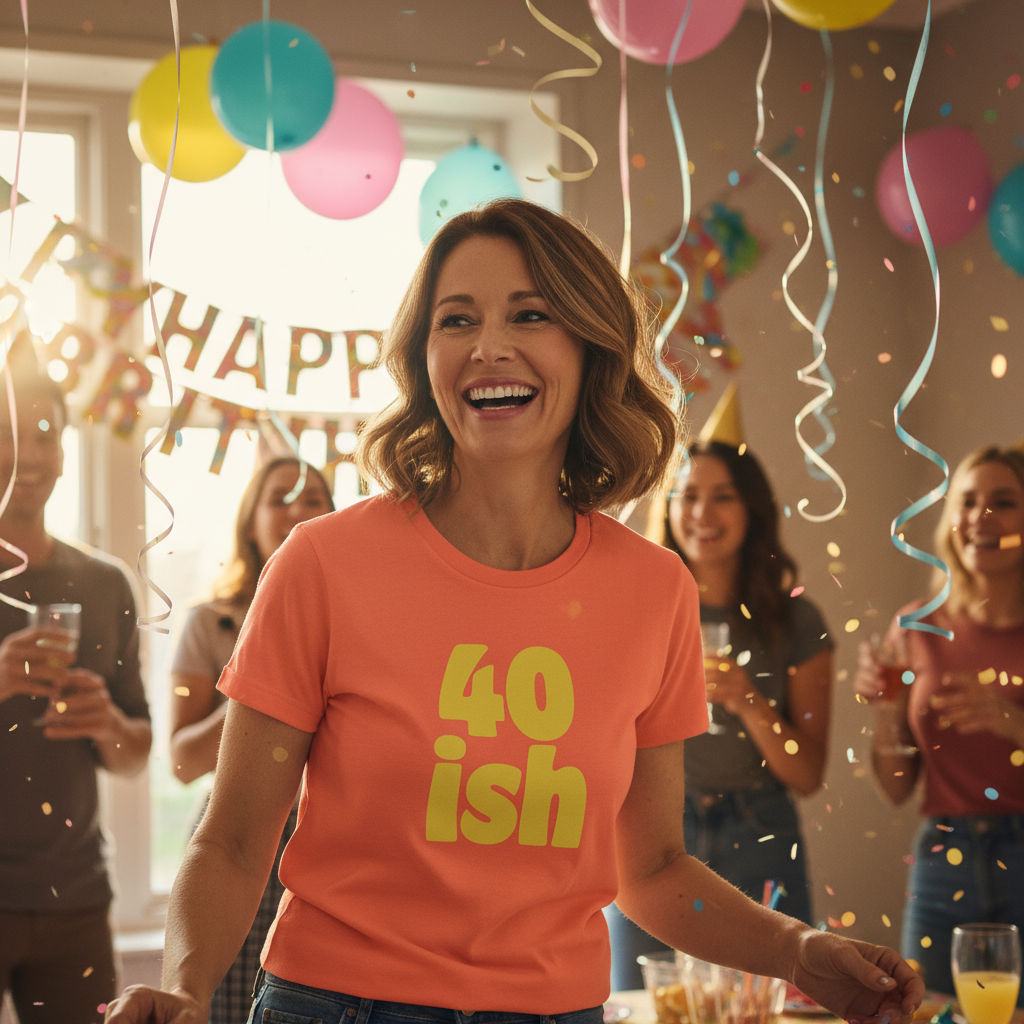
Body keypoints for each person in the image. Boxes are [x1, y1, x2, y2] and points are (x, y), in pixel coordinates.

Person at [107, 200, 922, 1024]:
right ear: (425, 358)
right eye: (455, 320)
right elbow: (235, 841)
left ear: (590, 347)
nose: (488, 347)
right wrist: (184, 988)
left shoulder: (654, 591)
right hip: (338, 1006)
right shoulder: (322, 564)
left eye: (530, 315)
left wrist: (795, 950)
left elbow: (654, 869)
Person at [607, 420, 834, 989]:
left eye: (722, 496)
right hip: (653, 834)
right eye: (687, 495)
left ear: (752, 509)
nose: (701, 513)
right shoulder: (636, 607)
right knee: (646, 1003)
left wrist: (749, 700)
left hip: (760, 834)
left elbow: (805, 773)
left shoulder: (797, 622)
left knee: (775, 1004)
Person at [0, 355, 151, 1023]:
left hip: (76, 901)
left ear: (65, 448)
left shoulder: (105, 583)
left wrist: (107, 725)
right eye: (6, 432)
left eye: (43, 433)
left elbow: (136, 753)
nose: (26, 453)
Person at [854, 443, 1024, 999]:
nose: (982, 518)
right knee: (920, 1009)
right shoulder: (915, 627)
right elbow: (897, 788)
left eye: (1005, 502)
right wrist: (884, 713)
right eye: (968, 502)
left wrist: (1013, 726)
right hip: (941, 858)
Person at [169, 455, 333, 1024]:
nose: (295, 509)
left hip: (322, 845)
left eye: (312, 498)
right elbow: (183, 761)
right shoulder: (208, 624)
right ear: (251, 519)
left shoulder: (346, 618)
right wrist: (266, 690)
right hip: (236, 831)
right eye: (279, 497)